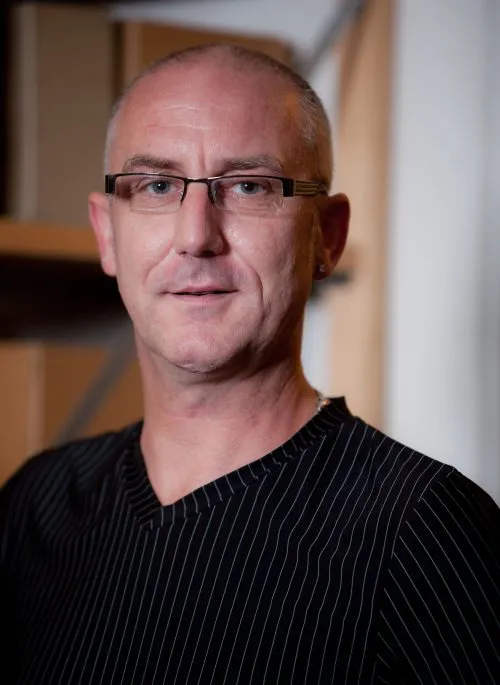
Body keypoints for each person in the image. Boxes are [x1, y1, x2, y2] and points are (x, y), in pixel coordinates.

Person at [1, 44, 499, 685]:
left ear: (326, 235)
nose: (195, 237)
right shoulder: (36, 504)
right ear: (107, 234)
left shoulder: (424, 530)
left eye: (248, 187)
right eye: (157, 186)